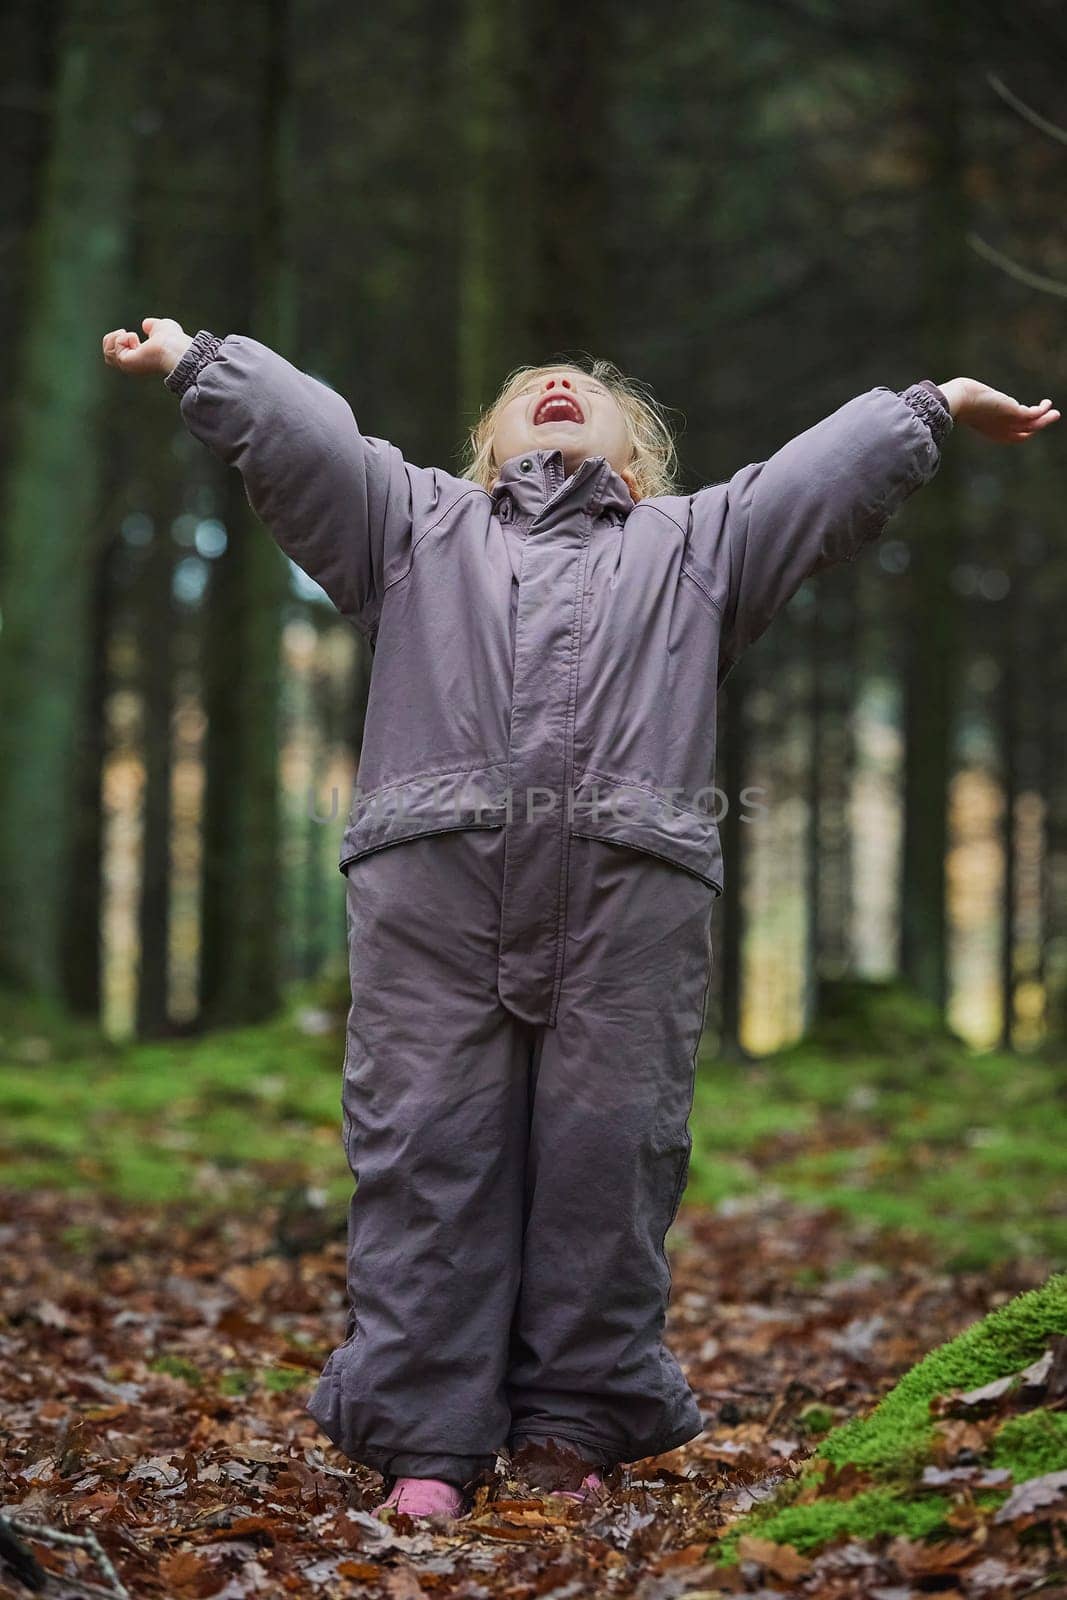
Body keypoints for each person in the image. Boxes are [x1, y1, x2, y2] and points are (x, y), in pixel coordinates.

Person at [103, 317, 1058, 1519]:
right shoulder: (411, 528)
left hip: (629, 895)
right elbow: (314, 444)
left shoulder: (697, 543)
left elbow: (810, 483)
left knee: (611, 1161)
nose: (558, 387)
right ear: (480, 449)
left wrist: (925, 408)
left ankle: (571, 1424)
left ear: (640, 458)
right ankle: (424, 1440)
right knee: (423, 1154)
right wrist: (203, 362)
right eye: (528, 390)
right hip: (432, 895)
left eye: (586, 391)